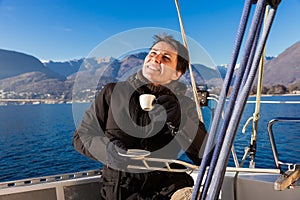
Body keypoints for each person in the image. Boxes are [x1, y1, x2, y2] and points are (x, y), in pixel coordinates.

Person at [73, 33, 208, 199]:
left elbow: (204, 156)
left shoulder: (183, 105)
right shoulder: (112, 92)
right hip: (121, 191)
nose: (156, 59)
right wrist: (107, 150)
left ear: (177, 73)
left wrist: (181, 121)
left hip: (168, 189)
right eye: (152, 53)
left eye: (166, 57)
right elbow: (81, 137)